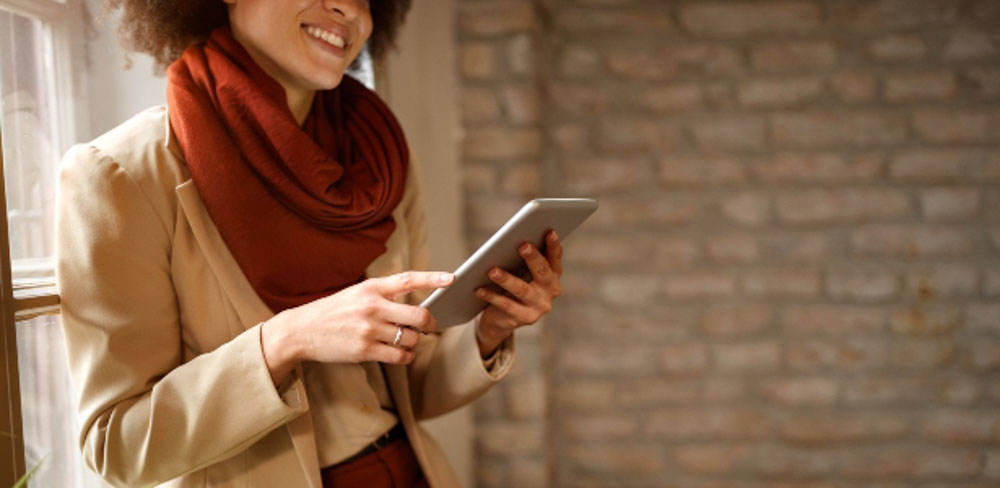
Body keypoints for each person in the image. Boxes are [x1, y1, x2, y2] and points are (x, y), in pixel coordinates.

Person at [54, 1, 565, 487]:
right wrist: (286, 340)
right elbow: (114, 447)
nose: (350, 10)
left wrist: (490, 328)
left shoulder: (381, 160)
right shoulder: (120, 177)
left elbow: (412, 386)